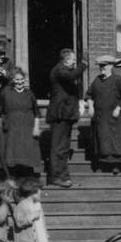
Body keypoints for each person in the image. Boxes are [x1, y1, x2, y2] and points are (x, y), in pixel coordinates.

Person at [46, 48, 87, 188]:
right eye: (73, 61)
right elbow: (71, 77)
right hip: (60, 114)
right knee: (58, 147)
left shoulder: (64, 70)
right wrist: (83, 65)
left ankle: (63, 176)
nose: (74, 64)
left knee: (63, 147)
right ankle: (56, 176)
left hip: (67, 114)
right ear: (65, 59)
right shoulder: (59, 70)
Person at [0, 68, 42, 177]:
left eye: (22, 79)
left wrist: (36, 127)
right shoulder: (5, 92)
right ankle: (12, 177)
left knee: (26, 152)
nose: (20, 82)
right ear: (13, 80)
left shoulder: (30, 94)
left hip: (27, 126)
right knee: (11, 152)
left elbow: (37, 112)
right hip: (11, 126)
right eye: (17, 79)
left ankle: (27, 177)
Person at [87, 55, 121, 175]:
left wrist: (118, 107)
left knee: (116, 140)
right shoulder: (97, 80)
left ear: (111, 66)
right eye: (100, 66)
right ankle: (105, 164)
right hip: (101, 116)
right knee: (103, 139)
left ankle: (117, 165)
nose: (101, 68)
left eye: (104, 66)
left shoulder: (117, 79)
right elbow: (89, 95)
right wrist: (90, 106)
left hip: (115, 116)